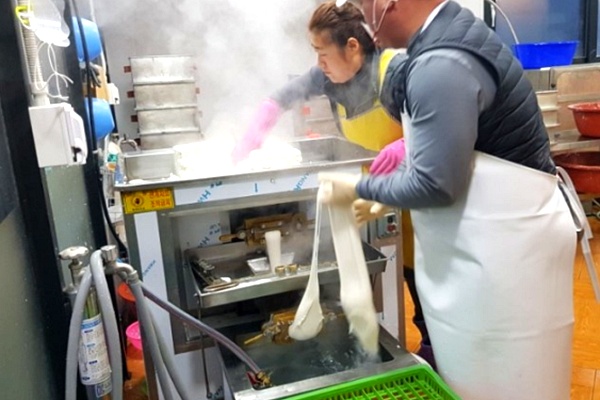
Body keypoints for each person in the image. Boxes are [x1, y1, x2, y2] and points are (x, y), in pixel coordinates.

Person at [318, 1, 577, 399]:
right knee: (489, 381)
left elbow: (436, 185)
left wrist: (359, 188)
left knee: (513, 382)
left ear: (388, 3)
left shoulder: (442, 63)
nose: (364, 19)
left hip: (506, 263)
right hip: (492, 254)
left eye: (364, 4)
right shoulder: (443, 39)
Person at [232, 1, 435, 364]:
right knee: (386, 288)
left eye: (323, 53)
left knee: (425, 287)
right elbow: (283, 96)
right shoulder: (327, 77)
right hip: (371, 201)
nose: (319, 63)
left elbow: (440, 125)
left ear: (352, 47)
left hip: (418, 200)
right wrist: (259, 125)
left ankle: (435, 361)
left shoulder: (396, 71)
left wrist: (407, 145)